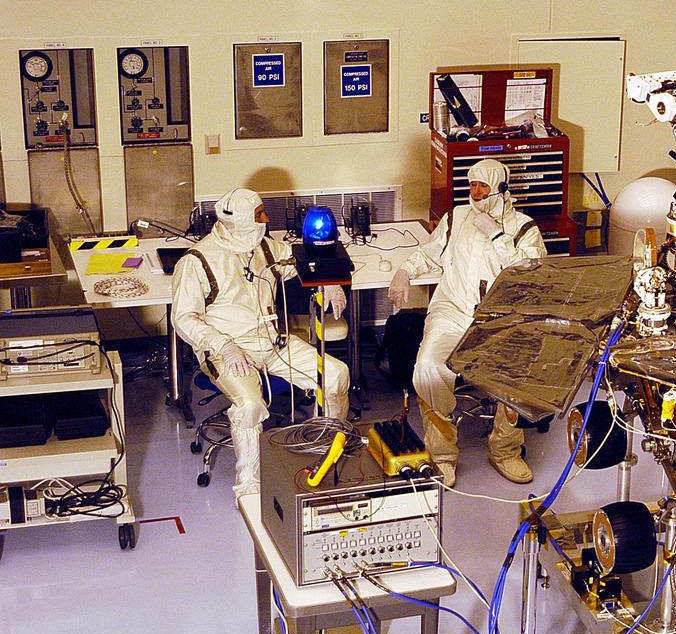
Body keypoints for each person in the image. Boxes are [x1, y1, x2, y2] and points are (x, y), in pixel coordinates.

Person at [173, 187, 349, 498]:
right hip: (229, 351)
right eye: (258, 216)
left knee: (336, 375)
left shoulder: (263, 247)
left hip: (274, 344)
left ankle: (327, 451)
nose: (266, 219)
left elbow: (300, 261)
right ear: (238, 221)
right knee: (250, 406)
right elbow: (183, 319)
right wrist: (223, 346)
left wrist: (331, 280)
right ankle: (249, 487)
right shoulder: (197, 261)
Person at [388, 159, 547, 486]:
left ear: (500, 188)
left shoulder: (523, 228)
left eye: (482, 186)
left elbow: (531, 273)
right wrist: (405, 271)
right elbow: (430, 252)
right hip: (452, 312)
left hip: (500, 320)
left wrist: (499, 236)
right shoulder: (456, 218)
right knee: (429, 368)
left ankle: (505, 450)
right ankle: (442, 455)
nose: (475, 192)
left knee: (519, 371)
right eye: (471, 184)